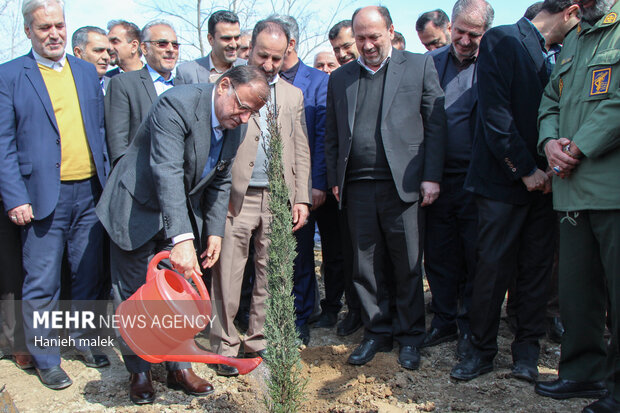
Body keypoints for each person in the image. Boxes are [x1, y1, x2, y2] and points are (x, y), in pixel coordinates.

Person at [96, 65, 269, 404]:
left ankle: (179, 367)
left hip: (174, 213)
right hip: (136, 207)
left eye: (253, 112)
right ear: (223, 86)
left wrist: (215, 232)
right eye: (242, 107)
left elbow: (220, 180)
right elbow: (168, 170)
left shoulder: (236, 126)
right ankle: (140, 369)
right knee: (134, 295)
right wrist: (183, 238)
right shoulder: (175, 105)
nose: (246, 118)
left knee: (176, 297)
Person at [451, 0, 580, 383]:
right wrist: (525, 170)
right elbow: (495, 113)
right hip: (504, 185)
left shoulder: (560, 53)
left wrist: (552, 168)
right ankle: (480, 351)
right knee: (492, 271)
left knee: (537, 271)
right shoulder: (503, 39)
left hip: (549, 184)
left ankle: (526, 352)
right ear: (570, 11)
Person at [325, 6, 447, 370]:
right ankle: (377, 332)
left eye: (374, 36)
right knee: (365, 267)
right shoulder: (341, 77)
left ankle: (410, 337)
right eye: (360, 38)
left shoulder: (419, 66)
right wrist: (334, 179)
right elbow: (332, 134)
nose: (367, 44)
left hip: (404, 185)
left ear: (391, 32)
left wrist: (432, 175)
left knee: (407, 264)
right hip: (356, 186)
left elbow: (435, 124)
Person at [0, 0, 109, 390]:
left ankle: (82, 340)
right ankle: (46, 357)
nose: (54, 34)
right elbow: (3, 143)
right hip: (42, 197)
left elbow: (98, 130)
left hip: (90, 193)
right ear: (29, 30)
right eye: (44, 27)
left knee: (87, 276)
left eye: (59, 25)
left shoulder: (84, 71)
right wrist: (15, 197)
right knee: (42, 282)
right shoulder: (10, 75)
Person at [209, 19, 311, 377]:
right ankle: (224, 344)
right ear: (249, 47)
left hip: (278, 197)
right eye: (263, 55)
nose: (269, 64)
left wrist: (301, 197)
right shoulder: (223, 86)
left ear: (287, 55)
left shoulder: (293, 96)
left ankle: (259, 341)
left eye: (277, 58)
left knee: (271, 272)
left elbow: (300, 148)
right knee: (228, 273)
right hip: (236, 196)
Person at [535, 1, 620, 411]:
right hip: (571, 187)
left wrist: (579, 145)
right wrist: (549, 142)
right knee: (577, 290)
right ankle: (582, 372)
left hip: (611, 185)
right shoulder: (575, 39)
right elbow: (550, 99)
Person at [422, 0, 493, 360]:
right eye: (459, 31)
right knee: (439, 252)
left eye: (474, 34)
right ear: (449, 26)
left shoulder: (494, 62)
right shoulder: (430, 64)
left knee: (474, 254)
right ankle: (444, 318)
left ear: (486, 33)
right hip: (435, 178)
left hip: (477, 178)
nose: (464, 40)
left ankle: (469, 323)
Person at [105, 20, 179, 165]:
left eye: (175, 45)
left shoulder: (185, 86)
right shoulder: (123, 84)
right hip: (139, 180)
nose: (170, 49)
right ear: (144, 48)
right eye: (162, 44)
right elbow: (118, 146)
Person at [176, 10, 245, 84]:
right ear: (210, 39)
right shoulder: (186, 73)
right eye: (227, 38)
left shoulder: (248, 69)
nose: (234, 45)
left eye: (237, 38)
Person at [72, 26, 111, 94]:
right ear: (78, 52)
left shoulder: (115, 86)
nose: (106, 57)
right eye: (98, 50)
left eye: (108, 51)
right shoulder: (66, 85)